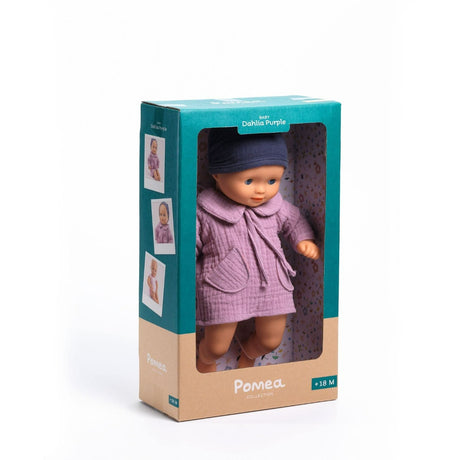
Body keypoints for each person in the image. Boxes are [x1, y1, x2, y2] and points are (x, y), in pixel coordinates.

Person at [196, 128, 320, 373]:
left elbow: (294, 220)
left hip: (272, 284)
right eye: (249, 181)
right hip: (223, 287)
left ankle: (249, 352)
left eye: (272, 181)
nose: (262, 190)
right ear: (218, 174)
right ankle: (205, 359)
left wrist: (303, 239)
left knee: (270, 340)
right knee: (216, 346)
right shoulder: (205, 212)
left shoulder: (276, 207)